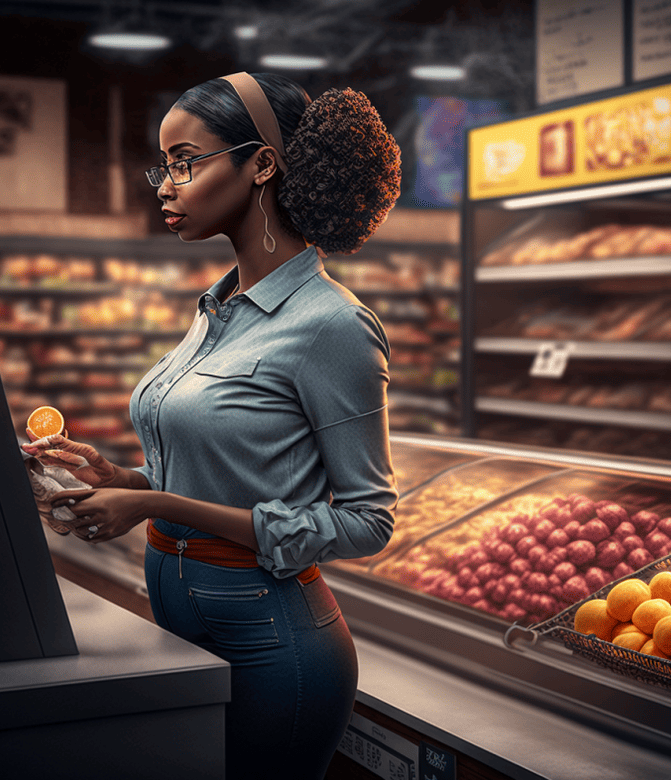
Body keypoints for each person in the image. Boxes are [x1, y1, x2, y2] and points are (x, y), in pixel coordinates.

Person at [21, 71, 402, 780]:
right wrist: (121, 479)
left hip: (274, 640)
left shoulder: (334, 327)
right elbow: (224, 472)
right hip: (178, 613)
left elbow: (368, 521)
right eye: (163, 166)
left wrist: (154, 503)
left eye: (185, 163)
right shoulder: (215, 310)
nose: (165, 187)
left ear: (261, 164)